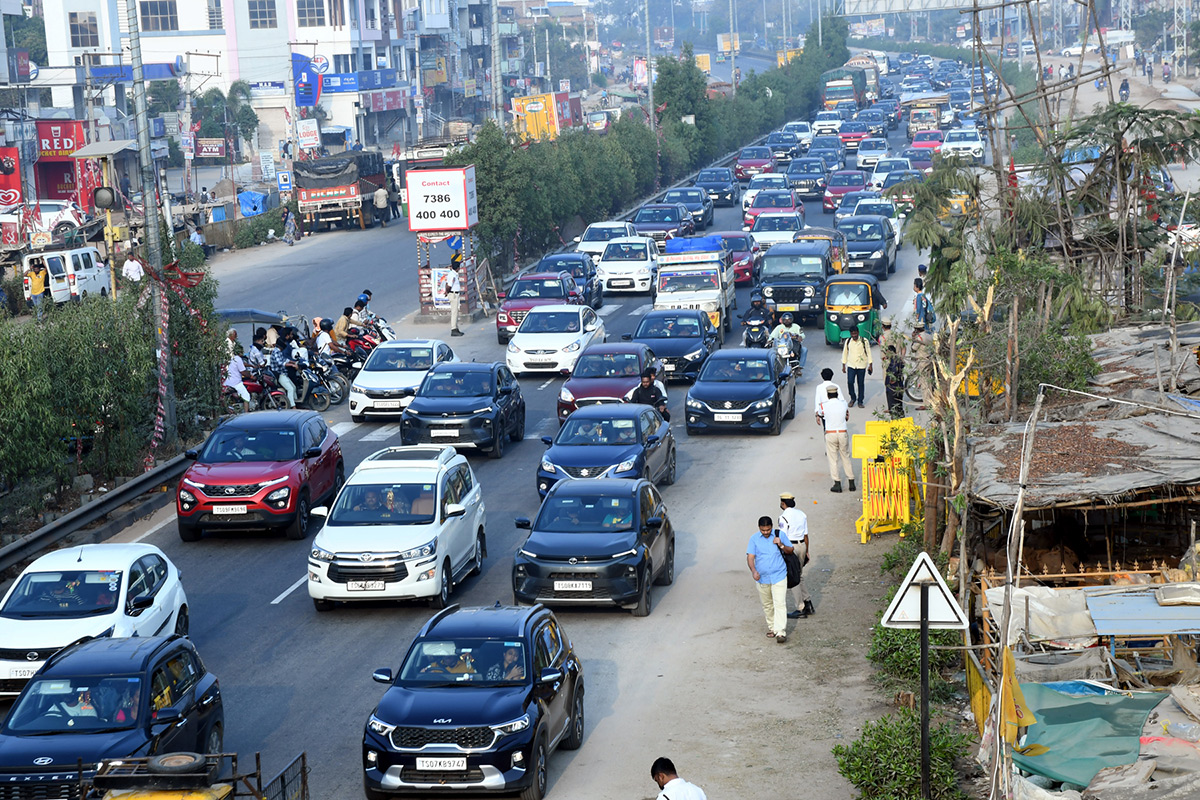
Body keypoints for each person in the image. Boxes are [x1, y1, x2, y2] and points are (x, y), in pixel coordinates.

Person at [746, 515, 795, 643]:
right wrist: (753, 571)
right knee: (767, 604)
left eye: (768, 530)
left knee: (779, 603)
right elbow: (750, 557)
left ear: (772, 527)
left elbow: (791, 550)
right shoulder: (754, 539)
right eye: (763, 530)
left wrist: (781, 545)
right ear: (759, 528)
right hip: (762, 578)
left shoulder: (780, 535)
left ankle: (780, 632)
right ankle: (772, 628)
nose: (766, 532)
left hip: (779, 575)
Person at [778, 492, 813, 618]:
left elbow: (783, 537)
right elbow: (806, 535)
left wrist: (782, 550)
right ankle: (808, 602)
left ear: (783, 503)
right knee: (798, 574)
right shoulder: (801, 514)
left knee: (793, 577)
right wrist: (807, 551)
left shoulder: (783, 518)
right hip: (802, 545)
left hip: (791, 548)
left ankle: (800, 608)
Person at [818, 384, 855, 493]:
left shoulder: (823, 405)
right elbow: (847, 417)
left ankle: (837, 483)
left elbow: (821, 415)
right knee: (846, 456)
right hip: (842, 432)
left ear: (828, 395)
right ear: (837, 394)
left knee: (833, 459)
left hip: (830, 433)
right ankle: (851, 482)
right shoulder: (843, 404)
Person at [841, 326, 873, 408]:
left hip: (861, 366)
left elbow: (868, 353)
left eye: (855, 333)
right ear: (850, 334)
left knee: (860, 384)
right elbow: (845, 353)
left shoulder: (864, 341)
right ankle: (853, 398)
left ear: (858, 332)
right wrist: (843, 365)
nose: (854, 335)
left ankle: (860, 401)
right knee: (850, 382)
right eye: (852, 333)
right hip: (851, 365)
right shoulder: (848, 341)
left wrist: (870, 365)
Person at [270, 328, 299, 408]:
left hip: (283, 373)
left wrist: (293, 362)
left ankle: (296, 402)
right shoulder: (276, 352)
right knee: (290, 389)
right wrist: (292, 365)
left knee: (293, 387)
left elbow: (285, 359)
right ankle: (292, 406)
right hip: (279, 375)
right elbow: (281, 363)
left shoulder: (279, 352)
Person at [224, 345, 252, 413]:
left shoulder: (231, 357)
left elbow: (242, 364)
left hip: (227, 382)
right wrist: (251, 376)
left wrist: (251, 365)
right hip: (235, 382)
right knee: (246, 396)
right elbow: (243, 372)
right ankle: (246, 413)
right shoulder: (238, 358)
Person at [884, 342, 906, 419]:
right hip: (899, 386)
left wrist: (892, 379)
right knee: (899, 405)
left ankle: (894, 419)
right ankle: (901, 417)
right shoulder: (899, 360)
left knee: (893, 405)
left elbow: (894, 371)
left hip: (893, 387)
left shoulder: (894, 361)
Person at [447, 266, 464, 337]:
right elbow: (449, 285)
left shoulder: (453, 274)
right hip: (453, 294)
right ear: (457, 268)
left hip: (455, 294)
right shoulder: (453, 275)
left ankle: (456, 328)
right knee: (454, 312)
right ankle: (453, 329)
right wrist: (448, 292)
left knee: (456, 312)